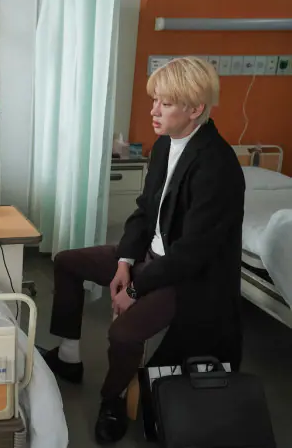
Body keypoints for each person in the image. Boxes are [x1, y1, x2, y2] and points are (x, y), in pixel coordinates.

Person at [43, 57, 245, 444]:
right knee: (67, 263)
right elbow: (144, 211)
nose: (153, 110)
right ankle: (68, 357)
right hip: (149, 259)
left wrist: (134, 288)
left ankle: (112, 399)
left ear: (195, 109)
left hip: (186, 278)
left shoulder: (217, 166)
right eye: (155, 100)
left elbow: (191, 254)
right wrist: (124, 261)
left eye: (164, 103)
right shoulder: (165, 145)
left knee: (123, 333)